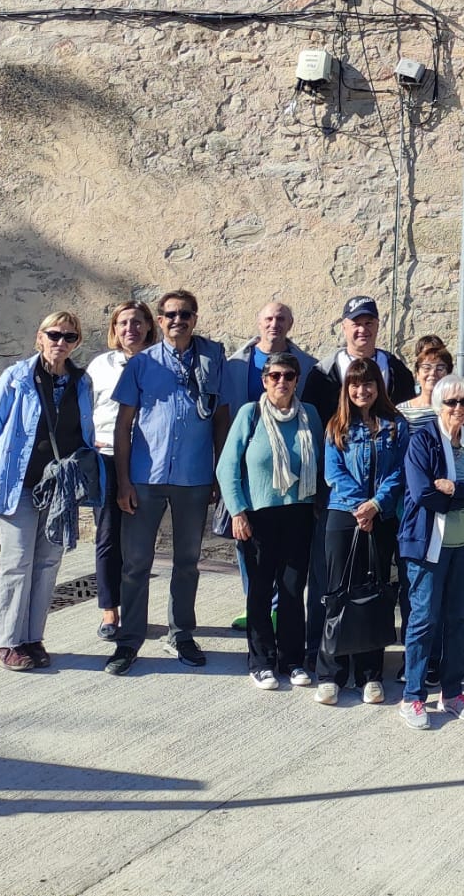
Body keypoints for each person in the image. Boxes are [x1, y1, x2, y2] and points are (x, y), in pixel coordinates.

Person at [107, 289, 227, 675]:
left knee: (187, 562)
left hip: (193, 477)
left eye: (186, 314)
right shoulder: (142, 364)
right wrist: (123, 481)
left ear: (195, 319)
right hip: (146, 477)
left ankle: (182, 633)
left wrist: (218, 473)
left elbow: (221, 419)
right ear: (160, 321)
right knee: (136, 563)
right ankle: (129, 642)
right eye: (171, 314)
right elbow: (123, 425)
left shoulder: (213, 359)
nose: (178, 320)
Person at [0, 311, 95, 671]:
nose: (61, 342)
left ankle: (31, 638)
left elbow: (85, 431)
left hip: (59, 491)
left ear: (77, 343)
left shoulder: (81, 382)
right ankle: (4, 642)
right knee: (17, 563)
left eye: (69, 337)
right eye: (54, 334)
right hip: (20, 487)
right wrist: (2, 469)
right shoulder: (17, 378)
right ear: (39, 337)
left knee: (47, 563)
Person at [397, 375, 464, 729]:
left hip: (463, 547)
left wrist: (456, 487)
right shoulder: (422, 440)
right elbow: (424, 493)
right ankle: (413, 696)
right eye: (451, 402)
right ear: (438, 405)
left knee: (457, 619)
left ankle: (452, 692)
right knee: (423, 620)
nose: (458, 409)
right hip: (427, 546)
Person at [217, 351, 323, 691]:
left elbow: (323, 464)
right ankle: (261, 660)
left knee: (293, 591)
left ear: (296, 380)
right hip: (257, 516)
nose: (282, 382)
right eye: (274, 376)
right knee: (260, 591)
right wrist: (237, 511)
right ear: (265, 380)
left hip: (300, 514)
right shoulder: (251, 415)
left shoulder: (311, 416)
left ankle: (291, 660)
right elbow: (227, 467)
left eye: (288, 376)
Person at [221, 301, 327, 634]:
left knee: (292, 570)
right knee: (251, 552)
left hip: (296, 490)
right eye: (268, 318)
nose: (274, 323)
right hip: (254, 471)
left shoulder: (309, 367)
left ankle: (281, 614)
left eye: (281, 318)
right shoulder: (237, 365)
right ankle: (255, 605)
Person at [318, 356, 407, 704]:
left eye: (368, 383)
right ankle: (332, 673)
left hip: (380, 517)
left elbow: (400, 472)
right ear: (347, 389)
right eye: (355, 384)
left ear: (378, 387)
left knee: (374, 593)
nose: (362, 390)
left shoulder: (396, 425)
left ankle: (370, 673)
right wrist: (360, 506)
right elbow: (333, 473)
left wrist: (376, 505)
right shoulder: (336, 427)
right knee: (338, 594)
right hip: (343, 515)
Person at [85, 300, 153, 640]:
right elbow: (84, 408)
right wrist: (88, 442)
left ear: (148, 328)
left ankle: (136, 608)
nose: (131, 329)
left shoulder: (158, 364)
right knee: (109, 536)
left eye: (138, 322)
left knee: (139, 540)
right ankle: (110, 611)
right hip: (108, 457)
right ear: (115, 330)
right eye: (124, 323)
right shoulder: (101, 366)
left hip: (145, 459)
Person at [319, 296, 419, 411]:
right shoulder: (325, 372)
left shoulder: (396, 369)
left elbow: (406, 411)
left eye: (368, 323)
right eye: (356, 324)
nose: (362, 330)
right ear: (344, 327)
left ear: (377, 325)